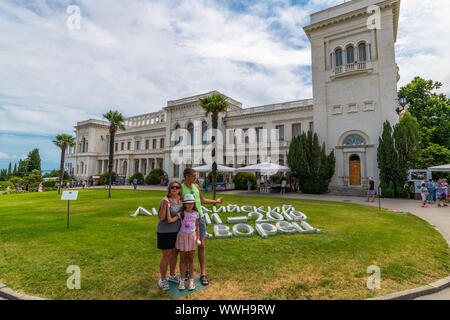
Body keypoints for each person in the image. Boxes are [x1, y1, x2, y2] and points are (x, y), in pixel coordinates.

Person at [182, 168, 223, 286]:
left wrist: (216, 201)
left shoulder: (196, 187)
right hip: (188, 221)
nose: (196, 178)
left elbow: (202, 200)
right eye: (194, 176)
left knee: (202, 245)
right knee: (188, 247)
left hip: (199, 218)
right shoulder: (181, 188)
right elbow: (177, 202)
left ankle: (203, 273)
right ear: (187, 176)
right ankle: (187, 271)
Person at [157, 181, 183, 291]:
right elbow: (161, 218)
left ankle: (172, 274)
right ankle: (163, 279)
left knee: (175, 254)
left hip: (177, 231)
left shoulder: (181, 202)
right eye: (172, 187)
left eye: (177, 187)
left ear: (180, 189)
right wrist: (164, 205)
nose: (175, 189)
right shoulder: (165, 200)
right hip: (165, 232)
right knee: (166, 255)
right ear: (169, 189)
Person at [176, 194, 200, 291]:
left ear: (194, 203)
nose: (190, 205)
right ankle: (182, 280)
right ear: (184, 204)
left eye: (191, 203)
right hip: (182, 236)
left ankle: (191, 280)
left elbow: (197, 226)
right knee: (182, 259)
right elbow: (172, 220)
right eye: (187, 203)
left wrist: (198, 238)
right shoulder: (181, 213)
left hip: (192, 237)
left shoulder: (195, 213)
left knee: (191, 259)